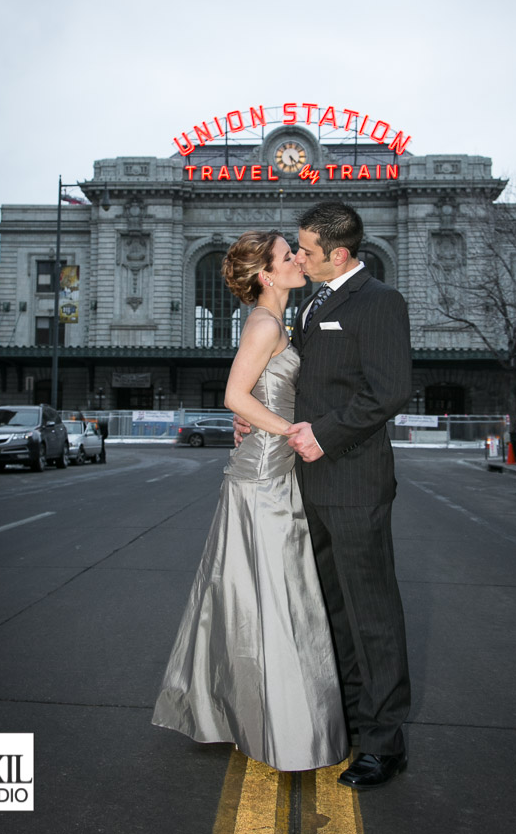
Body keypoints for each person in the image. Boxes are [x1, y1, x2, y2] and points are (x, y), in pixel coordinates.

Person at [152, 230, 348, 773]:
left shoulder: (280, 321)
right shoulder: (263, 324)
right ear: (266, 274)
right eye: (289, 257)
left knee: (251, 596)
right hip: (263, 476)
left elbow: (256, 397)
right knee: (273, 598)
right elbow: (234, 396)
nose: (298, 260)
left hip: (269, 469)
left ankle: (239, 713)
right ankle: (283, 727)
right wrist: (292, 432)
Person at [235, 201, 412, 790]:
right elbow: (297, 381)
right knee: (333, 612)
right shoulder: (311, 302)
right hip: (304, 481)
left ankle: (386, 743)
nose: (298, 256)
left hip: (355, 481)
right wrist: (259, 419)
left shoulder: (379, 301)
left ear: (338, 253)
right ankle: (354, 724)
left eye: (305, 250)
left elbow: (388, 392)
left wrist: (324, 433)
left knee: (373, 614)